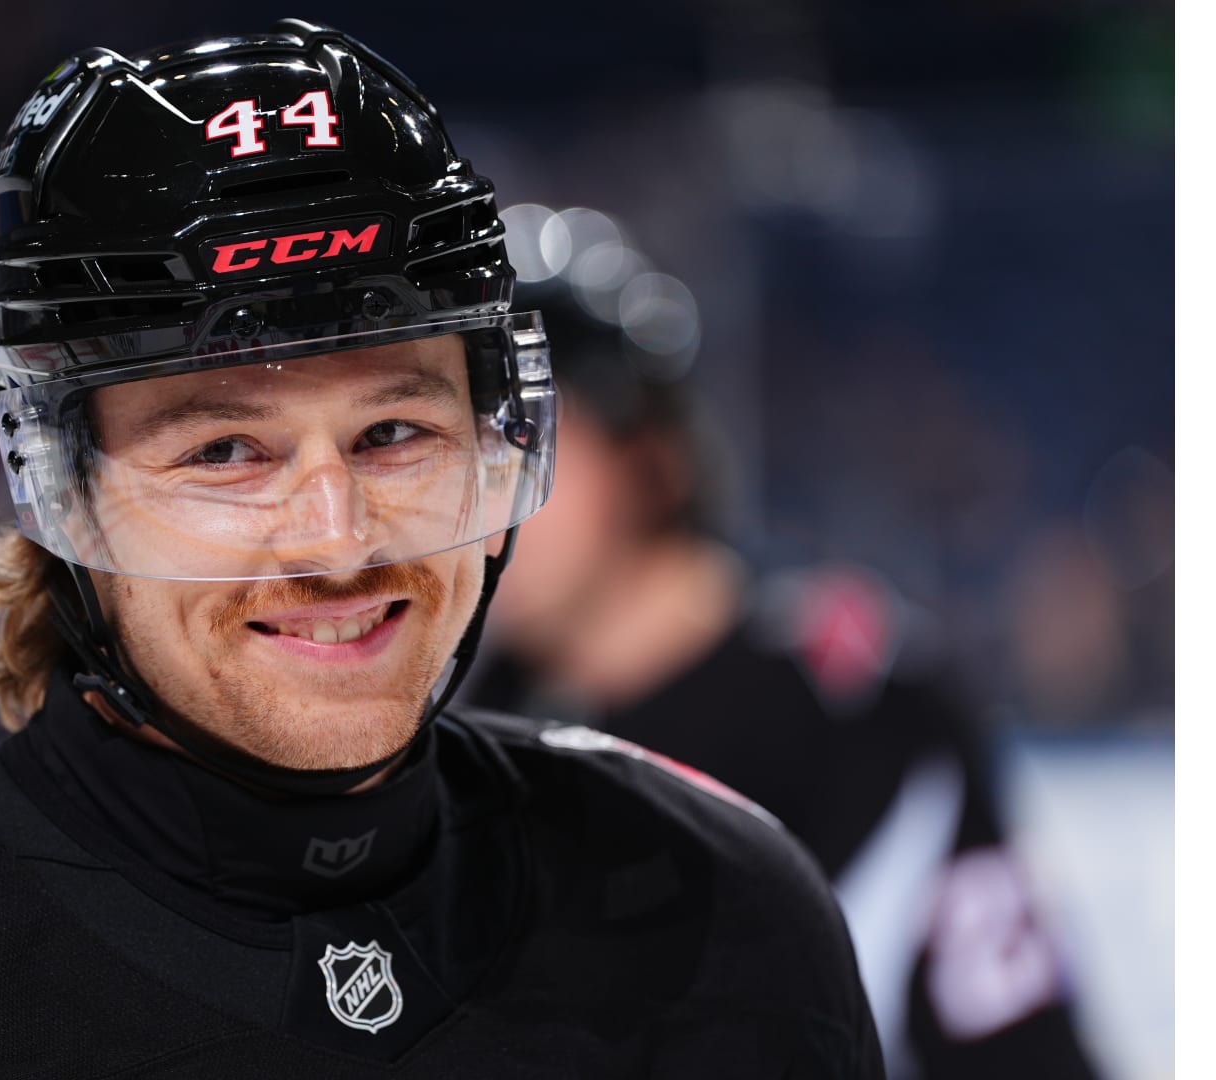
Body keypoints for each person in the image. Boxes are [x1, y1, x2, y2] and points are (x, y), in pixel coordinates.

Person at [0, 23, 883, 1078]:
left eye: (394, 433)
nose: (336, 541)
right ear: (62, 487)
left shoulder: (722, 905)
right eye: (225, 453)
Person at [468, 265, 1100, 1079]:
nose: (485, 496)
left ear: (650, 452)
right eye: (463, 450)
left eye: (524, 438)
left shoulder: (854, 715)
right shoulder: (482, 730)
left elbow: (1020, 1054)